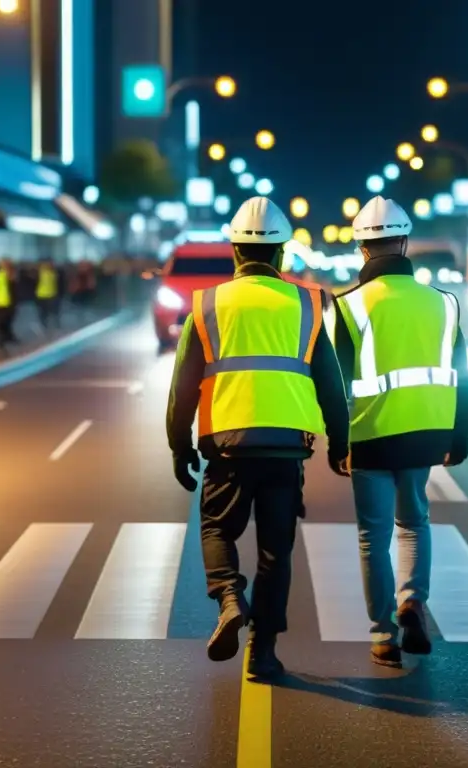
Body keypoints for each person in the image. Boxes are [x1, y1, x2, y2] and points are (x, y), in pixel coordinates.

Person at [166, 196, 350, 681]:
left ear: (234, 250)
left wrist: (178, 445)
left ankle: (229, 595)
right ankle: (262, 654)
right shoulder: (307, 303)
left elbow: (182, 386)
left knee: (216, 530)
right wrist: (341, 443)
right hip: (286, 448)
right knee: (276, 553)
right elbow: (331, 383)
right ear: (283, 254)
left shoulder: (207, 304)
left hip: (227, 445)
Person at [329, 196, 468, 668]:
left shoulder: (348, 307)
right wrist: (460, 436)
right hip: (426, 432)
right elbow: (463, 374)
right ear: (404, 243)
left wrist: (336, 441)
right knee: (414, 523)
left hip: (368, 435)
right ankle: (414, 602)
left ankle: (383, 635)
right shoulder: (443, 303)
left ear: (362, 250)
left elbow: (338, 382)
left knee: (373, 535)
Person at [35, 257, 61, 332]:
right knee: (43, 312)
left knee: (54, 312)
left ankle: (56, 325)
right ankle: (44, 325)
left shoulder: (54, 272)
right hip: (42, 295)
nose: (47, 265)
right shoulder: (39, 272)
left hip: (52, 294)